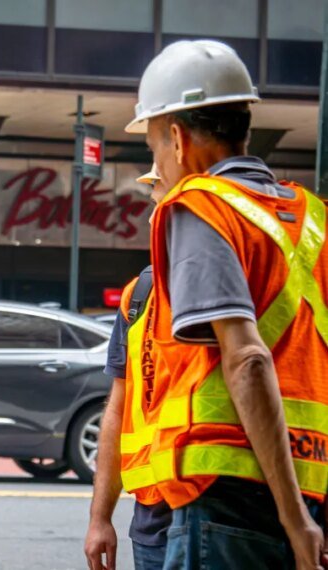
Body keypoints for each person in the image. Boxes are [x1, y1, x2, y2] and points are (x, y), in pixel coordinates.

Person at [128, 40, 327, 568]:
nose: (159, 167)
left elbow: (247, 358)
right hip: (314, 483)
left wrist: (292, 518)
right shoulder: (314, 219)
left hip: (231, 494)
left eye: (153, 147)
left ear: (175, 137)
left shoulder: (199, 206)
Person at [85, 165, 173, 570]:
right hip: (153, 516)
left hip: (221, 506)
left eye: (162, 200)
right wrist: (100, 518)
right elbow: (118, 408)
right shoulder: (140, 295)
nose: (154, 217)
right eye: (155, 204)